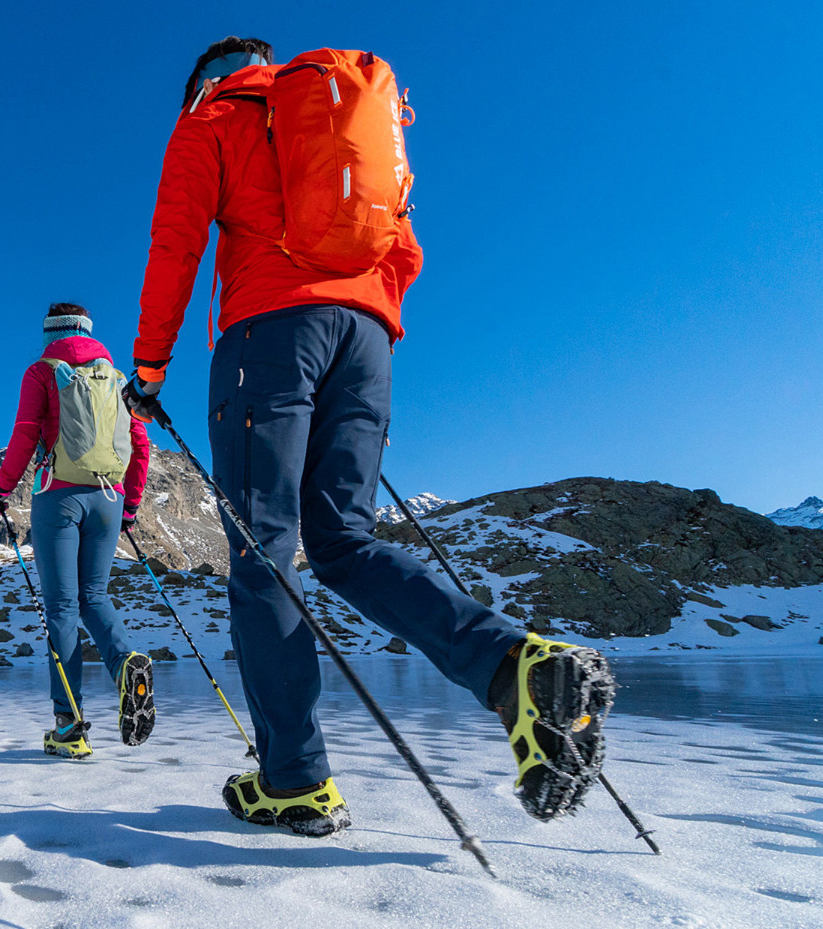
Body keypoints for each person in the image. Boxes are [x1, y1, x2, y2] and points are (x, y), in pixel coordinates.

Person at [124, 38, 614, 835]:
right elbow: (404, 248)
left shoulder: (212, 117)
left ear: (203, 81)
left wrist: (150, 367)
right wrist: (364, 330)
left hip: (267, 336)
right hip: (367, 338)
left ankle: (294, 779)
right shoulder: (349, 115)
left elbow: (176, 242)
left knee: (263, 552)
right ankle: (510, 665)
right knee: (345, 540)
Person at [0, 303, 155, 759]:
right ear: (88, 331)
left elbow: (25, 435)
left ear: (50, 334)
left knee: (62, 606)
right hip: (109, 498)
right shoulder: (117, 379)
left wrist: (3, 489)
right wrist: (130, 504)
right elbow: (139, 445)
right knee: (95, 597)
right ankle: (125, 668)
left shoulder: (42, 372)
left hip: (57, 496)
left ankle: (69, 727)